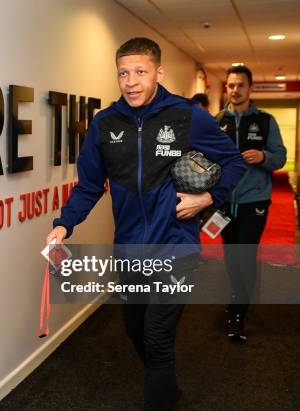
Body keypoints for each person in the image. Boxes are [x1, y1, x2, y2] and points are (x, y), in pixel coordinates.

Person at [45, 37, 245, 411]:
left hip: (176, 246)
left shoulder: (188, 116)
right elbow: (89, 186)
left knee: (156, 336)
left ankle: (160, 399)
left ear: (158, 72)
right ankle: (167, 388)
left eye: (140, 72)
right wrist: (63, 225)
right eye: (123, 73)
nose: (131, 81)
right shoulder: (105, 124)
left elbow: (234, 162)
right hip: (130, 250)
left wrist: (208, 199)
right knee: (135, 330)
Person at [216, 65, 287, 341]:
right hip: (224, 201)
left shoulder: (266, 121)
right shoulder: (217, 120)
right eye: (231, 85)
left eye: (240, 85)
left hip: (254, 199)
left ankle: (238, 310)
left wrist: (263, 157)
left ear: (250, 88)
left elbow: (279, 156)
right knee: (232, 255)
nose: (235, 90)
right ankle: (238, 293)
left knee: (245, 254)